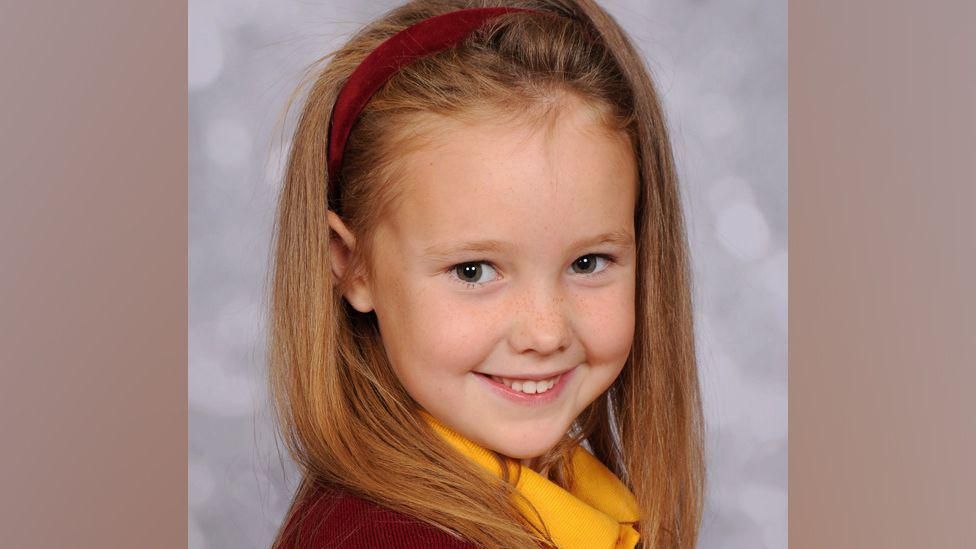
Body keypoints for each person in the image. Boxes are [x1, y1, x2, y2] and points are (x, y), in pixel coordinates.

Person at [266, 1, 704, 547]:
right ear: (352, 266)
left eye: (587, 263)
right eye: (473, 271)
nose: (545, 333)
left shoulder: (564, 494)